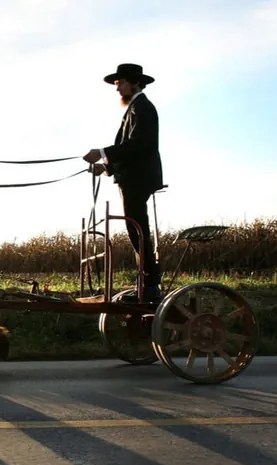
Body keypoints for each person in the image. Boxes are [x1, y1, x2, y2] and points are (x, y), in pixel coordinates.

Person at [83, 63, 164, 302]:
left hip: (138, 178)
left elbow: (139, 145)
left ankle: (150, 285)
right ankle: (146, 281)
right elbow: (128, 150)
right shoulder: (134, 109)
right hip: (132, 177)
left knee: (137, 228)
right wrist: (105, 167)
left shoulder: (143, 108)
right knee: (134, 227)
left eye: (120, 83)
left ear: (134, 83)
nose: (117, 89)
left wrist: (101, 152)